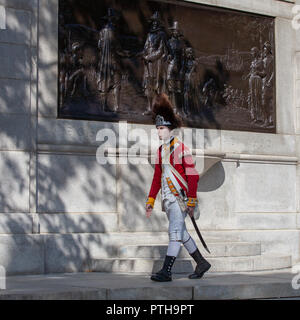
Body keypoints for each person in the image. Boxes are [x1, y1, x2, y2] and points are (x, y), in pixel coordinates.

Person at [145, 93, 211, 282]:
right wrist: (150, 199)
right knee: (180, 232)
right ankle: (201, 262)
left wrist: (191, 200)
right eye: (157, 128)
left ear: (170, 129)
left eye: (162, 128)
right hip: (167, 198)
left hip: (179, 199)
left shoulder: (181, 149)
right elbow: (157, 178)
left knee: (174, 233)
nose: (159, 132)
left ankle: (166, 271)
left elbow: (193, 175)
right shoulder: (160, 151)